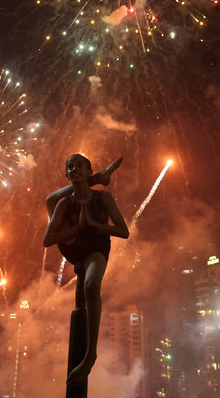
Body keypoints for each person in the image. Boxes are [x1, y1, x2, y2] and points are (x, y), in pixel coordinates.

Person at [43, 155, 129, 384]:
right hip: (73, 245)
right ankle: (101, 177)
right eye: (69, 166)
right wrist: (79, 226)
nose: (73, 169)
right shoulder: (65, 203)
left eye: (79, 166)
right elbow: (47, 240)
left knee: (91, 286)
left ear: (88, 170)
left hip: (96, 247)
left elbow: (124, 231)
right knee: (52, 203)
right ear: (66, 174)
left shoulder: (103, 198)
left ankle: (90, 355)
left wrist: (94, 225)